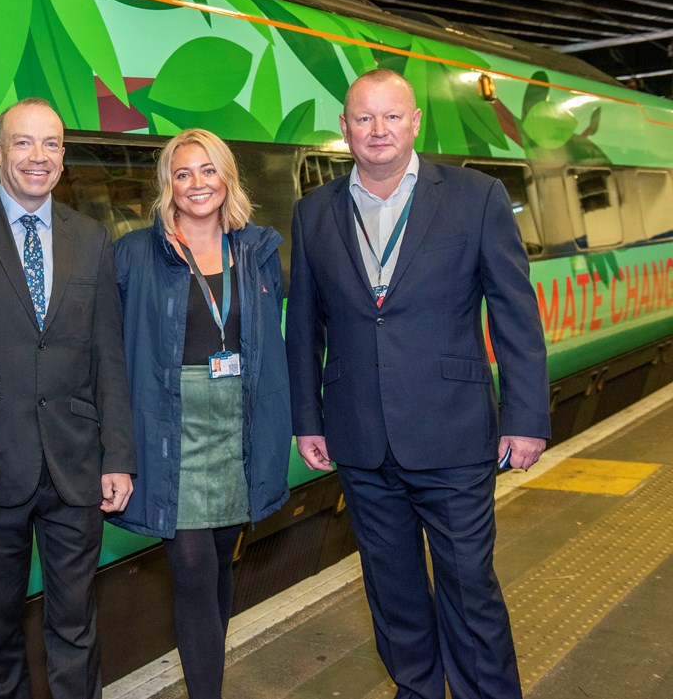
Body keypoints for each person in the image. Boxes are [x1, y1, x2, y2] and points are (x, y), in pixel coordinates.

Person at [286, 68, 550, 699]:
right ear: (345, 128)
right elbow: (304, 327)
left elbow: (515, 312)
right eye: (364, 118)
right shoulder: (314, 211)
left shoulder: (474, 196)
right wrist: (308, 419)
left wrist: (526, 417)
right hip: (360, 437)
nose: (378, 130)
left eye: (392, 116)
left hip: (454, 433)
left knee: (468, 586)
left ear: (415, 124)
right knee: (391, 587)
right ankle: (419, 690)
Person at [0, 97, 135, 699]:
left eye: (51, 145)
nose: (38, 157)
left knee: (76, 624)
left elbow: (108, 355)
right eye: (23, 142)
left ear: (63, 156)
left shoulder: (91, 238)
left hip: (77, 464)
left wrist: (118, 454)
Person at [111, 129, 292, 699]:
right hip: (171, 427)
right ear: (168, 183)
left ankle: (206, 679)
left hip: (238, 426)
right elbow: (114, 350)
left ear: (228, 178)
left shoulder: (258, 251)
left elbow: (268, 341)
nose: (197, 184)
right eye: (183, 173)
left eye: (208, 171)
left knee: (217, 565)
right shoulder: (137, 253)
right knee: (190, 569)